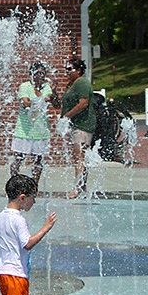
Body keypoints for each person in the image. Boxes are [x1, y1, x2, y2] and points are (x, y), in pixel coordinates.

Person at [0, 175, 57, 295]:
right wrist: (46, 227)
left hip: (2, 273)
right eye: (33, 198)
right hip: (17, 274)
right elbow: (27, 244)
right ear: (22, 198)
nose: (34, 202)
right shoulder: (18, 219)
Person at [49, 59, 95, 199]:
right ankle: (81, 186)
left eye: (69, 69)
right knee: (79, 157)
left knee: (79, 157)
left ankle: (77, 188)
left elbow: (83, 104)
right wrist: (54, 92)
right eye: (66, 69)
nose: (67, 72)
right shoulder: (71, 84)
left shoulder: (82, 82)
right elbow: (59, 106)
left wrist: (66, 117)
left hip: (83, 125)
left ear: (79, 70)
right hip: (76, 126)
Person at [11, 62, 53, 184]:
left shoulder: (47, 87)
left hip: (40, 130)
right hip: (24, 130)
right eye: (37, 73)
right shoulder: (25, 86)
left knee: (38, 160)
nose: (40, 75)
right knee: (19, 158)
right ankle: (14, 183)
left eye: (42, 73)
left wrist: (52, 95)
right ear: (32, 74)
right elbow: (25, 103)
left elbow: (52, 101)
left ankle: (34, 186)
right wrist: (42, 99)